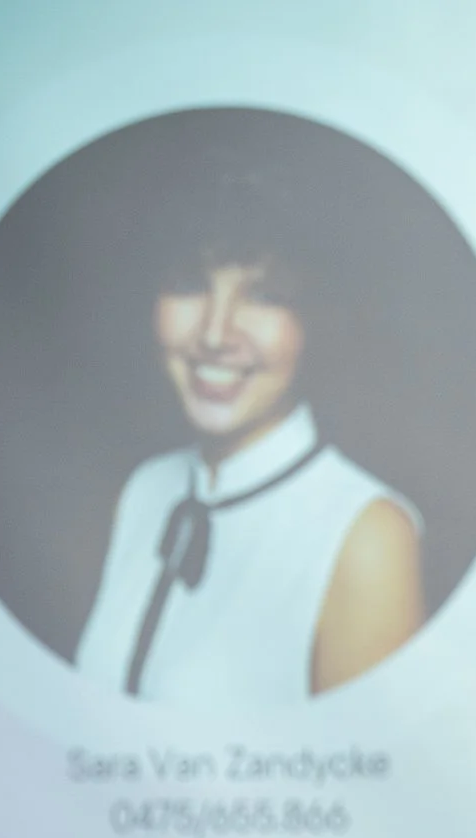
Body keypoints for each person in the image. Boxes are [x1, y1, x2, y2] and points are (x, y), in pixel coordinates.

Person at [74, 162, 425, 703]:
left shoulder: (367, 535)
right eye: (190, 285)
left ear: (317, 322)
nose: (215, 334)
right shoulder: (145, 490)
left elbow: (361, 784)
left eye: (264, 296)